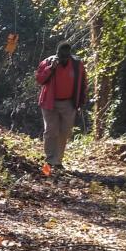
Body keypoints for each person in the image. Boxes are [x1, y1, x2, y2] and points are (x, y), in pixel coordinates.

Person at [35, 41, 88, 172]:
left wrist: (81, 101)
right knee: (51, 130)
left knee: (64, 132)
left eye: (66, 57)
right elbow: (39, 79)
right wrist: (51, 68)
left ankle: (58, 161)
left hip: (69, 103)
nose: (63, 59)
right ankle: (49, 160)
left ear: (69, 55)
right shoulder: (47, 62)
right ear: (57, 54)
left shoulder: (77, 65)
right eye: (61, 56)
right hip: (49, 102)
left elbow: (83, 83)